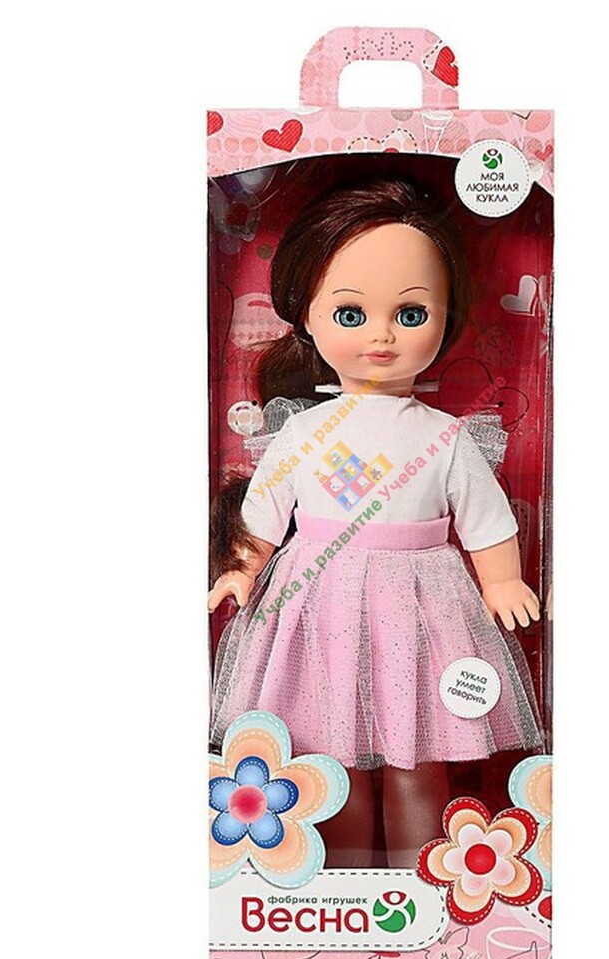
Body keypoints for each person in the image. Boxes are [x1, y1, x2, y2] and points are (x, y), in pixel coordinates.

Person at [208, 177, 543, 867]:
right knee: (330, 759)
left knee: (417, 760)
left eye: (411, 313)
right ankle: (342, 879)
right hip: (318, 603)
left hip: (421, 604)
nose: (382, 335)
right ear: (307, 316)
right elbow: (263, 514)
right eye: (351, 313)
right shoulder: (303, 433)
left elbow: (486, 521)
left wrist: (503, 581)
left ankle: (427, 880)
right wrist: (240, 572)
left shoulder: (446, 436)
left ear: (446, 317)